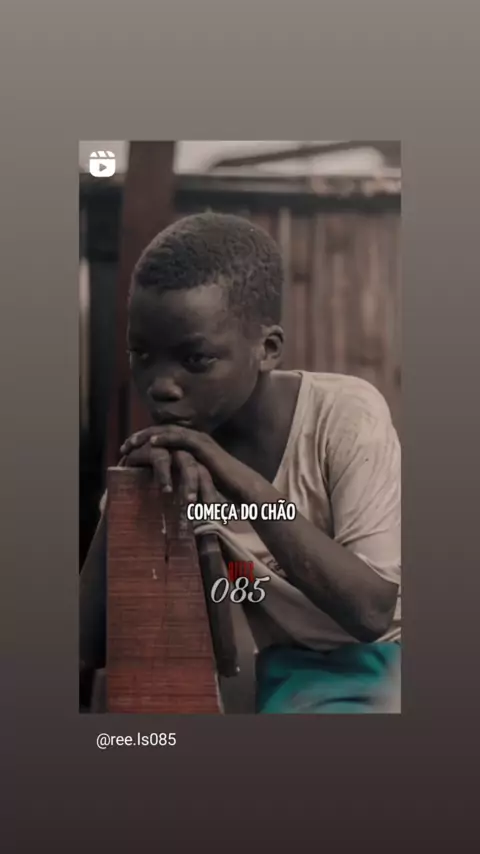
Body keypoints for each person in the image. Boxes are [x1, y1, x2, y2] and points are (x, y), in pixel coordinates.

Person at [80, 212, 401, 714]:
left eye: (195, 360)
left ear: (267, 349)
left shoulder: (343, 416)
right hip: (293, 677)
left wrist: (236, 480)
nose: (161, 386)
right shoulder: (168, 465)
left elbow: (371, 612)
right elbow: (89, 646)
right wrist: (126, 496)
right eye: (141, 354)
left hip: (393, 663)